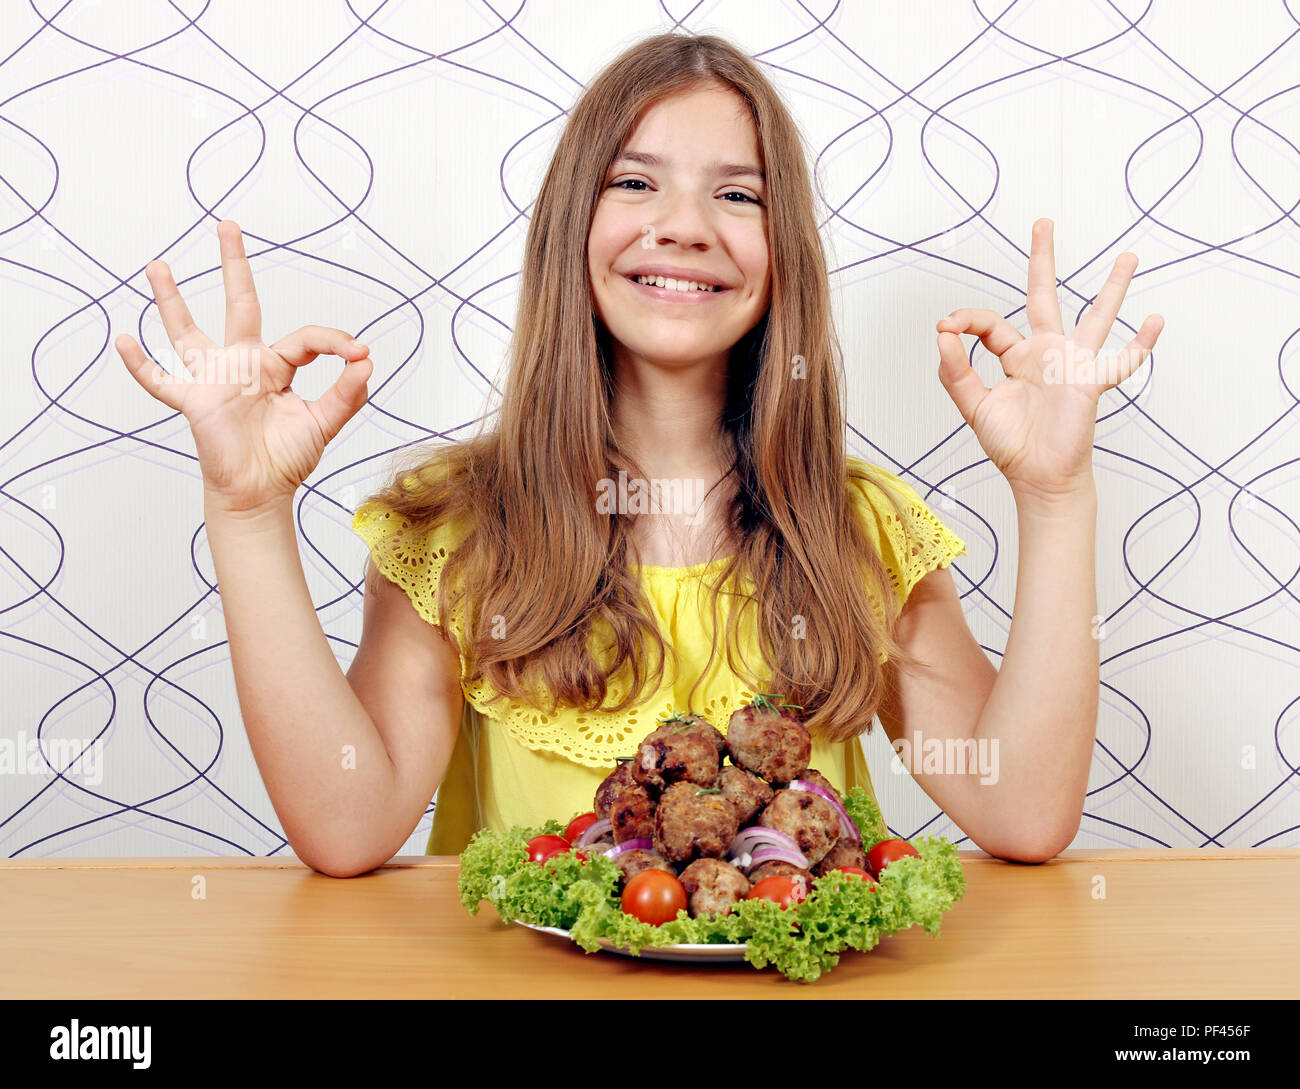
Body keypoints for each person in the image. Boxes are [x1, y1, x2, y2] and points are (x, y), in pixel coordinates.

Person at [115, 32, 1164, 877]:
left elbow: (1024, 812)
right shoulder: (456, 529)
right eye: (634, 184)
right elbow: (346, 831)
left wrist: (1056, 492)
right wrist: (246, 510)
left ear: (781, 253)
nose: (685, 226)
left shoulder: (857, 530)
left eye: (738, 195)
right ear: (573, 227)